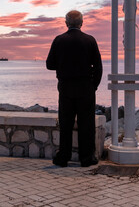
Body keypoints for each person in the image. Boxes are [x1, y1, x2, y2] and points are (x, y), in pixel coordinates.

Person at [46, 10, 103, 167]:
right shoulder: (90, 40)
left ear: (66, 23)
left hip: (65, 88)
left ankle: (63, 157)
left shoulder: (59, 40)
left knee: (66, 124)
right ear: (82, 23)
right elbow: (98, 67)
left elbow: (49, 64)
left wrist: (63, 65)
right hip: (86, 88)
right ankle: (86, 158)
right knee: (87, 124)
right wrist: (94, 86)